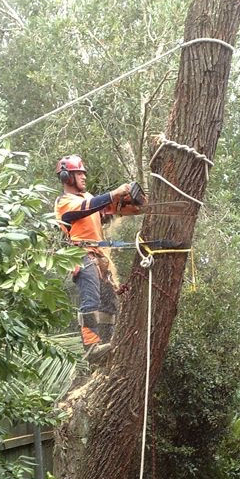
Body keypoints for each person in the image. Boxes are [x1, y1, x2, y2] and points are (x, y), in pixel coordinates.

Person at [54, 154, 143, 361]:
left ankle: (107, 342)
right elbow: (90, 207)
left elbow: (106, 209)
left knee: (110, 303)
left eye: (84, 174)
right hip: (81, 255)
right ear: (67, 178)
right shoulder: (64, 202)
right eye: (79, 174)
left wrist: (132, 203)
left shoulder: (88, 198)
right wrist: (113, 193)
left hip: (100, 258)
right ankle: (91, 348)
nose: (84, 177)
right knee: (91, 299)